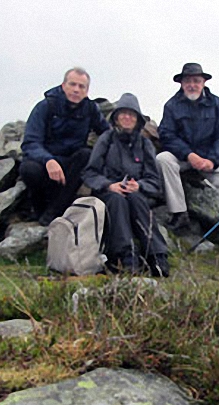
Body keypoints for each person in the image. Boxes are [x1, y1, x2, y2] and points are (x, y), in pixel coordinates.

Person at [156, 62, 219, 261]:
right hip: (185, 157)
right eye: (188, 81)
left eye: (196, 80)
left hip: (213, 158)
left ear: (203, 82)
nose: (192, 85)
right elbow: (167, 135)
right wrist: (189, 155)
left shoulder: (216, 103)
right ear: (181, 83)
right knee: (163, 159)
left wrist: (212, 159)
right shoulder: (172, 105)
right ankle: (179, 213)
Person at [83, 93, 169, 277]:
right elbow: (90, 173)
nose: (127, 117)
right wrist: (108, 185)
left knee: (136, 199)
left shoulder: (145, 144)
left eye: (132, 114)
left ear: (138, 119)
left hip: (136, 193)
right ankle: (124, 256)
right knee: (117, 200)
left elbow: (154, 181)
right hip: (108, 193)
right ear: (116, 117)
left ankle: (157, 255)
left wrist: (139, 185)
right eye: (123, 114)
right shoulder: (106, 139)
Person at [19, 67, 110, 226]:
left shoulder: (90, 109)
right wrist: (48, 160)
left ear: (87, 91)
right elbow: (30, 142)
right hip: (44, 162)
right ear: (63, 85)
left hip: (69, 166)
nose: (76, 90)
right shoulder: (46, 106)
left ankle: (54, 211)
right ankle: (38, 209)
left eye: (81, 86)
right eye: (72, 84)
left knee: (86, 155)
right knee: (28, 170)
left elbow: (107, 134)